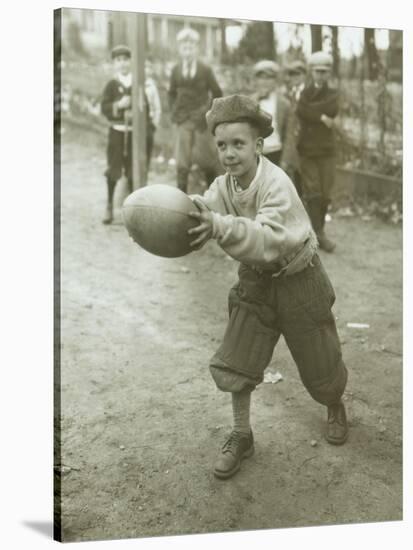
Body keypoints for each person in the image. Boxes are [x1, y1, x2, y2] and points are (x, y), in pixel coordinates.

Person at [187, 94, 348, 480]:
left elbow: (268, 240)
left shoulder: (276, 183)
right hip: (256, 280)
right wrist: (180, 210)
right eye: (222, 145)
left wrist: (219, 226)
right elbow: (206, 206)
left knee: (319, 359)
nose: (228, 154)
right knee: (237, 354)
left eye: (238, 144)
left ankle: (334, 404)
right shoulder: (224, 184)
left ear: (258, 146)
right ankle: (242, 434)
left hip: (299, 276)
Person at [100, 45, 154, 224]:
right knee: (113, 169)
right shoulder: (112, 85)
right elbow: (104, 108)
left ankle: (133, 210)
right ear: (114, 63)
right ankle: (109, 206)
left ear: (131, 61)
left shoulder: (137, 84)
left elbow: (144, 107)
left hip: (133, 135)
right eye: (118, 60)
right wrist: (119, 105)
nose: (122, 64)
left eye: (125, 59)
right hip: (117, 133)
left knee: (133, 171)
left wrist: (137, 112)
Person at [168, 28, 223, 193]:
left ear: (196, 49)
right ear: (180, 49)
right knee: (182, 163)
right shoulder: (176, 70)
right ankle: (181, 198)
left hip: (201, 122)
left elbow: (217, 93)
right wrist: (174, 111)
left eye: (191, 46)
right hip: (183, 120)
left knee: (206, 160)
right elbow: (170, 93)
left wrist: (207, 112)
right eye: (184, 46)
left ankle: (214, 198)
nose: (188, 50)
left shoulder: (205, 70)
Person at [296, 51, 339, 252]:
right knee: (312, 191)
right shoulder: (304, 93)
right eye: (317, 71)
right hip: (307, 149)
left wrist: (313, 111)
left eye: (324, 71)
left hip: (326, 150)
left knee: (325, 192)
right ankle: (318, 234)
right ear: (311, 72)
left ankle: (318, 231)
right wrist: (321, 117)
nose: (320, 75)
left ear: (329, 73)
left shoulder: (333, 93)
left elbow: (332, 108)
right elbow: (300, 110)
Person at [250, 60, 292, 170]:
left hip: (276, 152)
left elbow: (289, 135)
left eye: (269, 78)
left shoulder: (284, 103)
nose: (264, 82)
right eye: (261, 78)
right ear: (256, 80)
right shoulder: (250, 102)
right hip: (255, 153)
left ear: (275, 81)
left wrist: (285, 160)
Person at [281, 60, 308, 197]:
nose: (294, 78)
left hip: (306, 140)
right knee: (295, 175)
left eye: (298, 74)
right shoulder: (289, 94)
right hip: (292, 141)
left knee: (306, 177)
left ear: (304, 75)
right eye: (292, 75)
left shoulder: (308, 94)